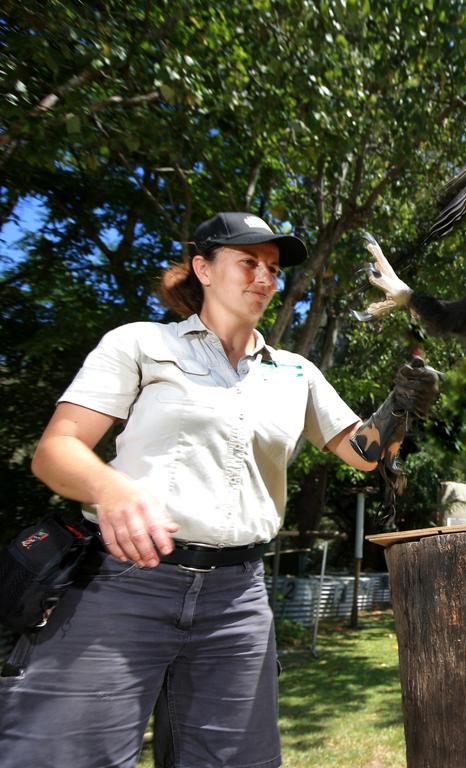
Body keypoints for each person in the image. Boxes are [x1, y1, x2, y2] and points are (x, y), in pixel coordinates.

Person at [0, 212, 440, 767]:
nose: (265, 278)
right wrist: (110, 489)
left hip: (238, 600)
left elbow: (364, 454)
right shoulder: (139, 343)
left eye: (274, 269)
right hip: (124, 585)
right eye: (249, 262)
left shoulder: (296, 373)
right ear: (203, 269)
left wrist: (397, 409)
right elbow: (56, 450)